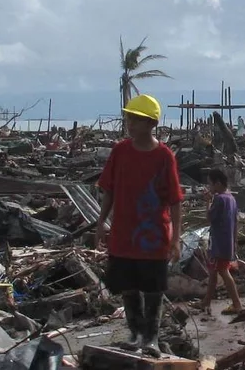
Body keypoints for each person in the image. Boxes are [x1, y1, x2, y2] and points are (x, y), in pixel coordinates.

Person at [96, 95, 183, 356]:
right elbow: (108, 191)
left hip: (154, 237)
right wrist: (101, 222)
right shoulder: (120, 152)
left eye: (134, 120)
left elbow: (176, 201)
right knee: (128, 286)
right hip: (123, 235)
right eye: (128, 119)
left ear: (149, 124)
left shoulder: (164, 156)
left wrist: (176, 238)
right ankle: (135, 334)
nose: (129, 124)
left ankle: (151, 338)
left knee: (153, 288)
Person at [201, 168, 244, 315]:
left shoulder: (219, 199)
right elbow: (236, 222)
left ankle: (237, 304)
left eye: (211, 184)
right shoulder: (231, 198)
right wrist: (235, 241)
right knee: (213, 272)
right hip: (226, 242)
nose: (210, 188)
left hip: (219, 243)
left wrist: (207, 202)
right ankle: (205, 302)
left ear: (218, 183)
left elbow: (209, 218)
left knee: (223, 272)